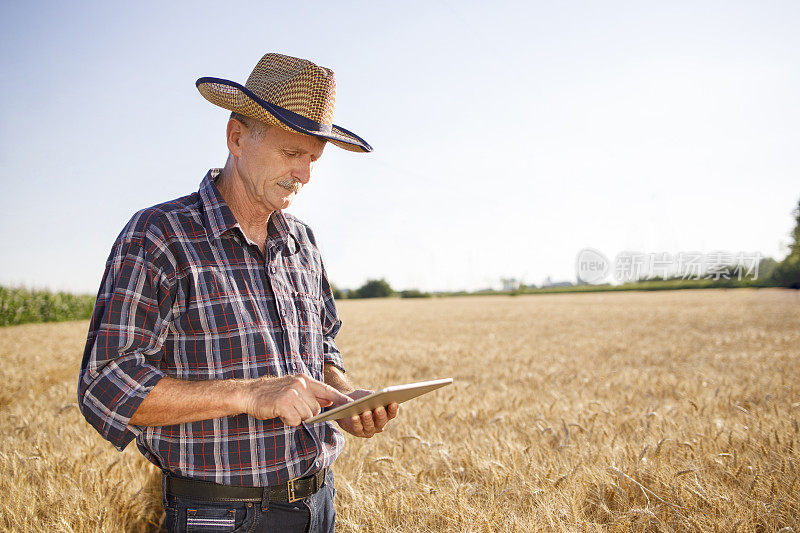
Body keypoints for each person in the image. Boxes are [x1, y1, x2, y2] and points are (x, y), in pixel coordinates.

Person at [78, 52, 399, 532]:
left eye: (313, 158)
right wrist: (250, 394)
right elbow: (105, 386)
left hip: (318, 503)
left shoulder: (302, 242)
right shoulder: (158, 235)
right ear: (236, 138)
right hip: (217, 515)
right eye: (293, 154)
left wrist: (345, 400)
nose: (305, 174)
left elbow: (323, 345)